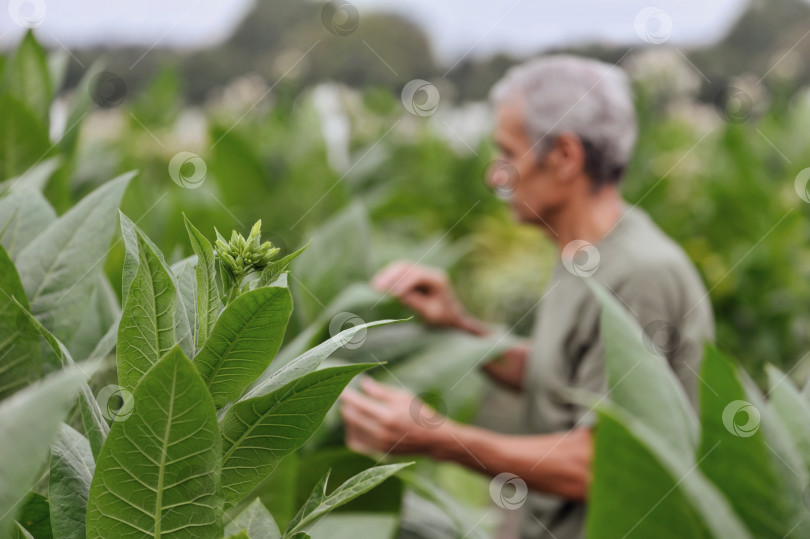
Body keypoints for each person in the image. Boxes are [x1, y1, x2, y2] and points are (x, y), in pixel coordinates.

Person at [339, 55, 714, 539]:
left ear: (564, 157)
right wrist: (460, 325)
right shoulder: (585, 256)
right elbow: (566, 378)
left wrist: (439, 438)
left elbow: (606, 464)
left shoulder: (639, 273)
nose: (496, 176)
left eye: (508, 154)